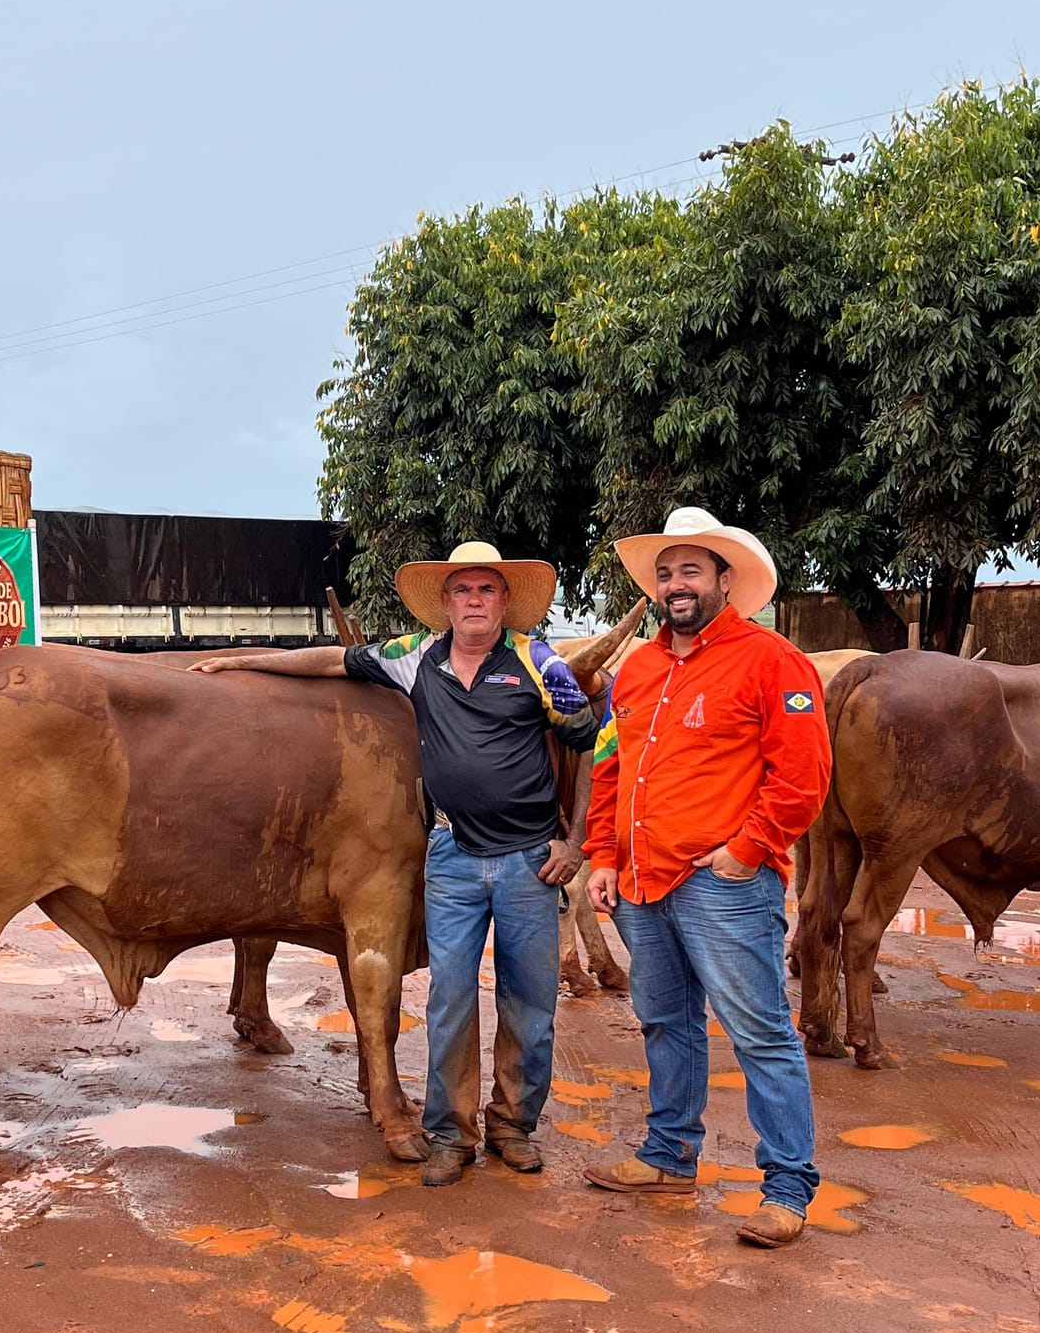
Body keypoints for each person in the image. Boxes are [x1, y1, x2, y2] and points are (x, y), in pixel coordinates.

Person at [191, 541, 596, 1185]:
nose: (474, 601)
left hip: (526, 863)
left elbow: (587, 741)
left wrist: (576, 843)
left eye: (486, 591)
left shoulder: (538, 660)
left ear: (503, 601)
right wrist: (245, 660)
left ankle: (513, 1128)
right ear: (446, 602)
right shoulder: (414, 658)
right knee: (450, 999)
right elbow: (332, 661)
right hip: (453, 855)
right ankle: (451, 1137)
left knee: (529, 1003)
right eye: (462, 590)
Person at [582, 507, 832, 1248]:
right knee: (666, 1022)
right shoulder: (638, 669)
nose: (675, 583)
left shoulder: (772, 661)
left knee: (759, 1033)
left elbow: (804, 775)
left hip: (724, 884)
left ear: (726, 579)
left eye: (691, 569)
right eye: (666, 572)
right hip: (640, 883)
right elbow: (609, 768)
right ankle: (668, 1156)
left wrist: (746, 850)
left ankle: (786, 1188)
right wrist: (603, 853)